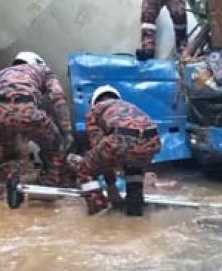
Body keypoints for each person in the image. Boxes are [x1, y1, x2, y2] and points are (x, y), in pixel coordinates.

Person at [0, 52, 74, 185]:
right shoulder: (43, 70)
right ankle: (52, 180)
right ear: (36, 62)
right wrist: (67, 130)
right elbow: (58, 98)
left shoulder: (3, 73)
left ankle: (10, 181)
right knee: (56, 147)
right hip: (27, 112)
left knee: (10, 153)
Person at [67, 85, 161, 216]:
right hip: (152, 142)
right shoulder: (128, 106)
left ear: (95, 101)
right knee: (133, 168)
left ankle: (99, 210)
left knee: (84, 170)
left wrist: (111, 186)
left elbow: (98, 149)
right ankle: (135, 211)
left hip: (120, 140)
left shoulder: (95, 110)